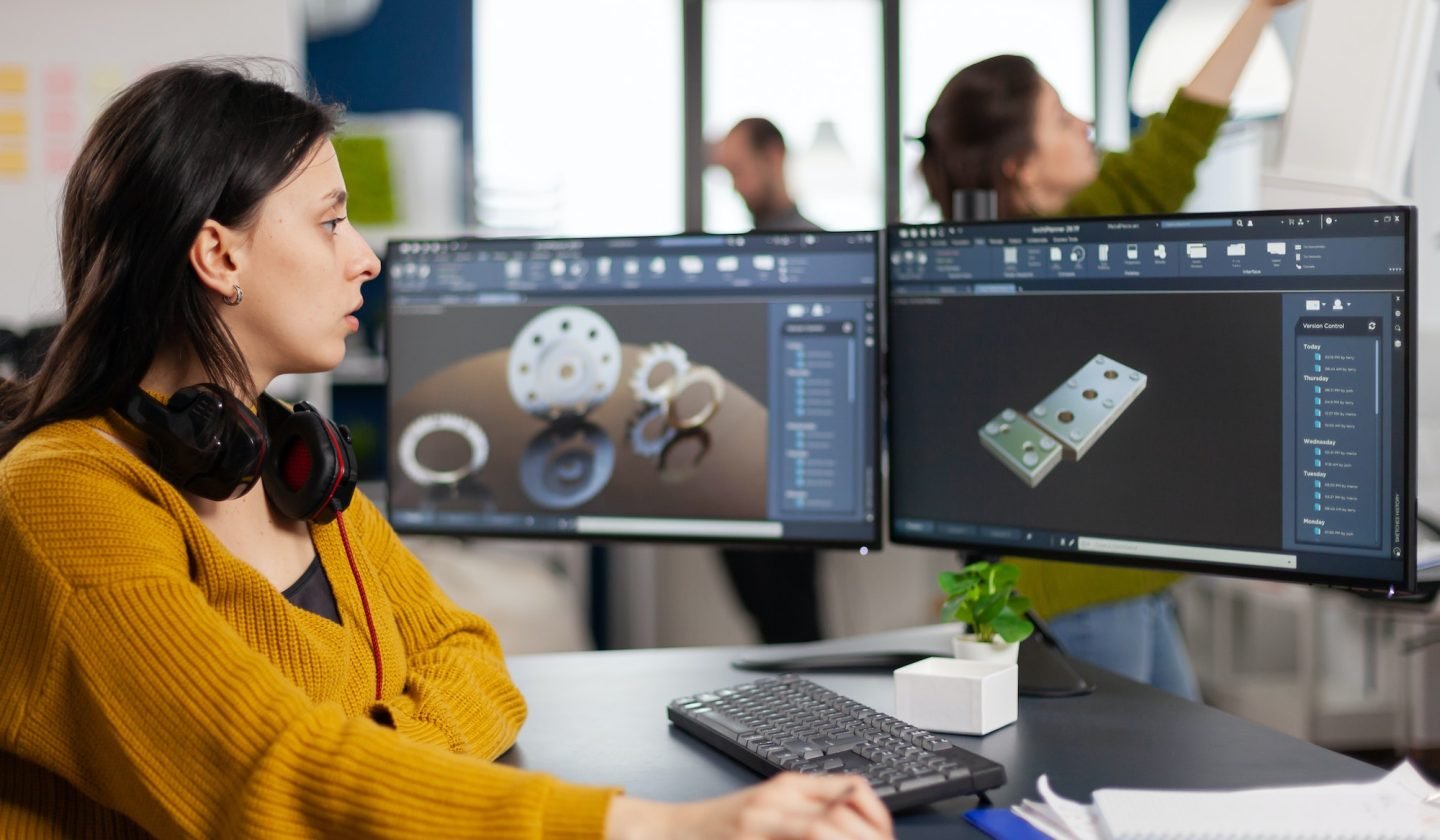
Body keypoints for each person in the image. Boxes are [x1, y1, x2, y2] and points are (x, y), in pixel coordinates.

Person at [0, 61, 893, 839]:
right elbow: (263, 778)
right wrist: (658, 828)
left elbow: (471, 657)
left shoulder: (293, 468)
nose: (365, 259)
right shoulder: (62, 501)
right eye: (328, 223)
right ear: (217, 255)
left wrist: (373, 773)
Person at [918, 0, 1299, 699]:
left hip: (1131, 582)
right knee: (1118, 789)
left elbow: (1186, 125)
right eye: (1064, 120)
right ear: (1023, 169)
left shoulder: (1096, 219)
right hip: (1066, 598)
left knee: (1165, 786)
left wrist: (1258, 11)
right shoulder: (969, 284)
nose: (1087, 125)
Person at [711, 117, 825, 644]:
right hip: (736, 465)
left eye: (739, 169)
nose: (734, 183)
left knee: (792, 618)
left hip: (791, 474)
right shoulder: (733, 258)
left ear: (773, 156)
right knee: (765, 616)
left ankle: (810, 719)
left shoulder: (820, 252)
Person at [712, 117, 821, 233]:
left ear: (773, 157)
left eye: (738, 171)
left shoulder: (820, 247)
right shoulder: (745, 246)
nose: (735, 187)